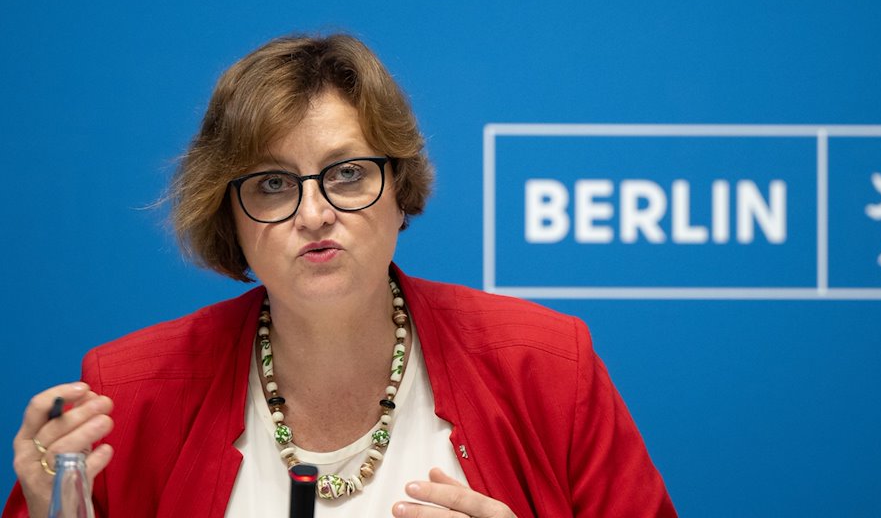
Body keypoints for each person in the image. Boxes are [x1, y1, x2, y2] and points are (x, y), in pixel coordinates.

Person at [4, 34, 677, 518]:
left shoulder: (548, 366)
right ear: (227, 215)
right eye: (272, 184)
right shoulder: (124, 397)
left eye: (347, 173)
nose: (315, 213)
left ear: (399, 185)